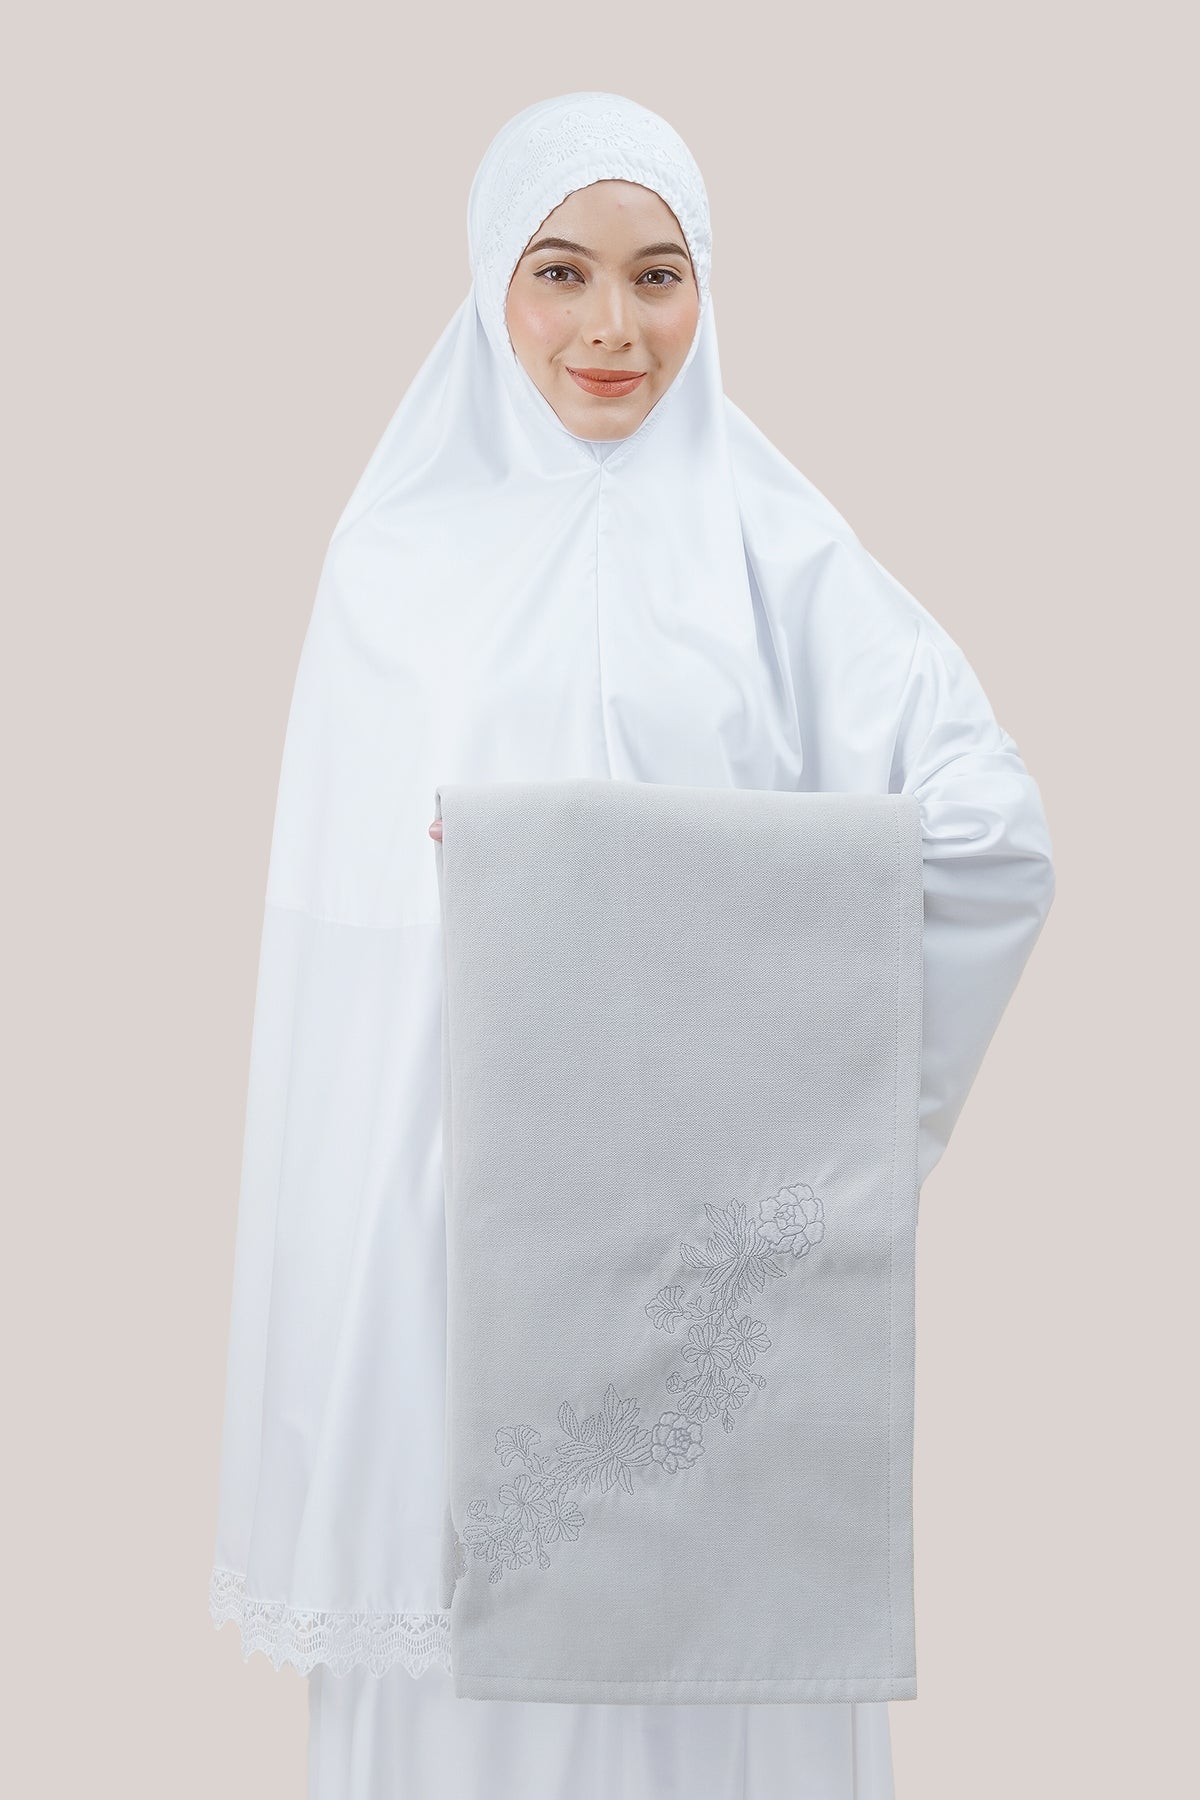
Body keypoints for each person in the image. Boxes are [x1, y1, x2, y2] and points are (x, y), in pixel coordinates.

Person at [209, 92, 1056, 1799]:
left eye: (659, 274)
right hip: (448, 1237)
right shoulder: (393, 565)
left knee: (711, 1678)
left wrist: (795, 1085)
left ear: (704, 288)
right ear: (489, 285)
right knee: (464, 1666)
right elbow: (345, 978)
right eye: (562, 272)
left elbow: (991, 836)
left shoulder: (780, 554)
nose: (614, 326)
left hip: (700, 1249)